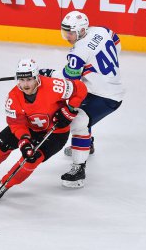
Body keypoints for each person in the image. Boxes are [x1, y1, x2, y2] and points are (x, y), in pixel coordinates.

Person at [0, 58, 87, 201]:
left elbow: (80, 88)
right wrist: (24, 141)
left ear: (37, 78)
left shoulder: (54, 86)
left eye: (29, 79)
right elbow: (16, 123)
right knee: (2, 141)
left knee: (31, 159)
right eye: (22, 80)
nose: (25, 84)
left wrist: (69, 110)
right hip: (29, 128)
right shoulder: (13, 97)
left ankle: (4, 184)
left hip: (55, 133)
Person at [39, 11, 125, 188]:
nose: (67, 36)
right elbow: (116, 41)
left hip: (106, 96)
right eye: (65, 32)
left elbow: (69, 80)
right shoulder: (101, 31)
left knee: (77, 121)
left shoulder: (78, 52)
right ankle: (88, 144)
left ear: (82, 30)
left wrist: (47, 74)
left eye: (70, 33)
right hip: (104, 88)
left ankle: (78, 170)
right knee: (80, 107)